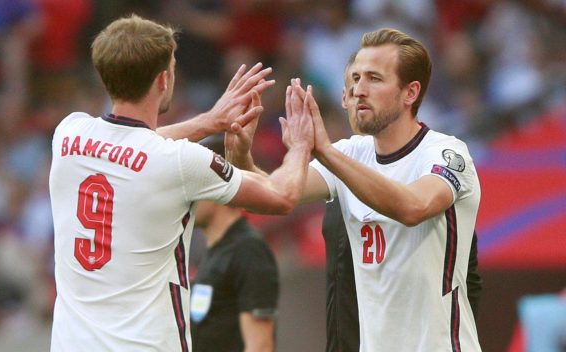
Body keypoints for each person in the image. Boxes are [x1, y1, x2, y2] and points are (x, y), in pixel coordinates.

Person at [48, 14, 314, 351]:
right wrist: (301, 146)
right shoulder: (181, 162)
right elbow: (284, 195)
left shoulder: (68, 134)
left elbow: (133, 145)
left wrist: (209, 122)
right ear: (163, 80)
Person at [227, 28, 482, 351]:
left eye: (375, 79)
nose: (359, 90)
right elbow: (274, 195)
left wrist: (326, 152)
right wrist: (240, 154)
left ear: (410, 93)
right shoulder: (351, 153)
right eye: (355, 78)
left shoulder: (447, 153)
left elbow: (414, 207)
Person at [321, 54, 484, 352]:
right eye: (354, 84)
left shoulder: (435, 160)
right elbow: (338, 290)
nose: (360, 93)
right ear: (344, 98)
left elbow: (466, 278)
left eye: (373, 81)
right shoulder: (338, 172)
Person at [190, 136, 279, 352]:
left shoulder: (248, 249)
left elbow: (259, 346)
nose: (188, 194)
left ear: (220, 187)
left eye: (195, 184)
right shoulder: (213, 252)